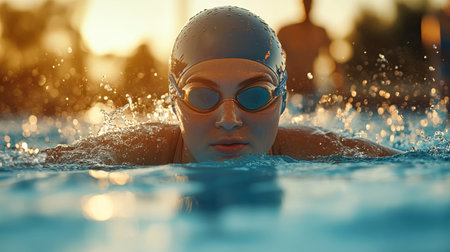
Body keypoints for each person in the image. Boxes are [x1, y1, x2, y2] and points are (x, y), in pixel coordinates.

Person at [44, 6, 400, 165]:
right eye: (202, 96)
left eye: (255, 96)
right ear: (174, 102)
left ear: (282, 100)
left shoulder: (312, 147)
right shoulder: (140, 149)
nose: (229, 119)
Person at [277, 0, 341, 113]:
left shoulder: (320, 32)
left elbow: (333, 61)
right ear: (301, 4)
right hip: (289, 89)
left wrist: (339, 84)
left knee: (309, 123)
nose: (307, 6)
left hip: (310, 89)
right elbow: (272, 58)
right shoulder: (286, 31)